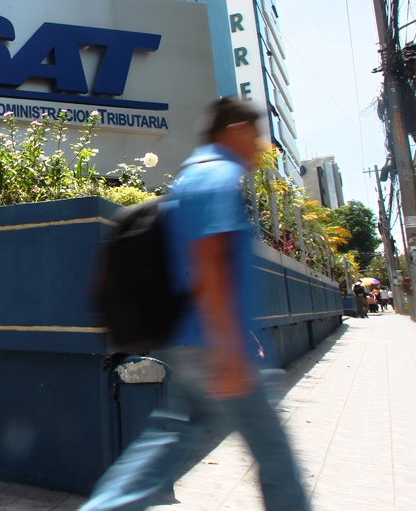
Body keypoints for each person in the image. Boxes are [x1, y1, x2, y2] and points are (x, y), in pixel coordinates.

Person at [80, 98, 311, 511]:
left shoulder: (192, 175)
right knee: (276, 458)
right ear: (237, 130)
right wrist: (230, 349)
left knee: (171, 439)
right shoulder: (217, 176)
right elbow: (209, 264)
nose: (258, 148)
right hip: (215, 344)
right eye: (255, 137)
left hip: (194, 339)